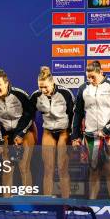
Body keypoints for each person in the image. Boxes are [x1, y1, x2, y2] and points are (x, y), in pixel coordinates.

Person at [71, 61, 110, 199]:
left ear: (101, 72)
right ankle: (93, 204)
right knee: (94, 170)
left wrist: (106, 129)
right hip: (90, 135)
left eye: (93, 77)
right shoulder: (84, 88)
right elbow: (78, 113)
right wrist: (75, 136)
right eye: (88, 77)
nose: (90, 80)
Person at [0, 69, 36, 191]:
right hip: (5, 133)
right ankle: (6, 201)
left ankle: (28, 201)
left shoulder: (20, 94)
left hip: (24, 131)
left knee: (23, 167)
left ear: (7, 83)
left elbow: (29, 116)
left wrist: (20, 133)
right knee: (7, 168)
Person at [30, 67, 74, 198]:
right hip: (48, 131)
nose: (43, 90)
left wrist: (73, 136)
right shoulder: (36, 95)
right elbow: (28, 116)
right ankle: (48, 201)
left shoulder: (65, 93)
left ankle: (66, 201)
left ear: (52, 82)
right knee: (48, 169)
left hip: (64, 132)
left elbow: (73, 115)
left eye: (45, 87)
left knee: (62, 168)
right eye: (40, 87)